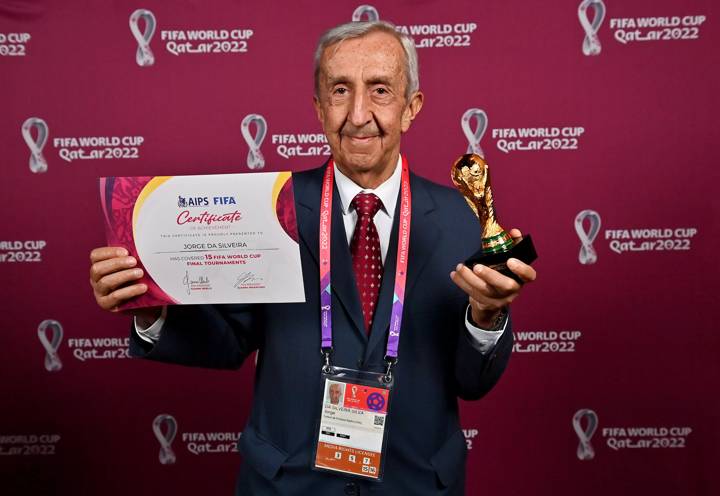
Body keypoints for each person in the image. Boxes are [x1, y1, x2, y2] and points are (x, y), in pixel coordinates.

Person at [89, 21, 536, 496]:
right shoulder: (269, 210)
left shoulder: (462, 217)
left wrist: (486, 319)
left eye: (380, 90)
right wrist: (152, 310)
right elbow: (229, 340)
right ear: (319, 109)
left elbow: (473, 382)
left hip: (416, 482)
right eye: (340, 90)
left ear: (411, 108)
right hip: (289, 483)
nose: (358, 114)